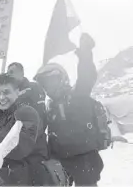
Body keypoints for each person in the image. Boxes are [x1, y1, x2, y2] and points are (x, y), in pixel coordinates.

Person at [33, 33, 104, 186]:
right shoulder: (50, 106)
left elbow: (87, 76)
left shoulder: (78, 94)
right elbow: (51, 134)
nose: (48, 87)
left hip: (85, 159)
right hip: (61, 160)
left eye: (51, 82)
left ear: (62, 79)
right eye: (45, 84)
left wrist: (85, 53)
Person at [7, 62, 47, 128]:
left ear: (21, 74)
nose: (9, 76)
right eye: (7, 74)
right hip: (14, 135)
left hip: (31, 135)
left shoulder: (34, 88)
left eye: (11, 72)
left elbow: (40, 116)